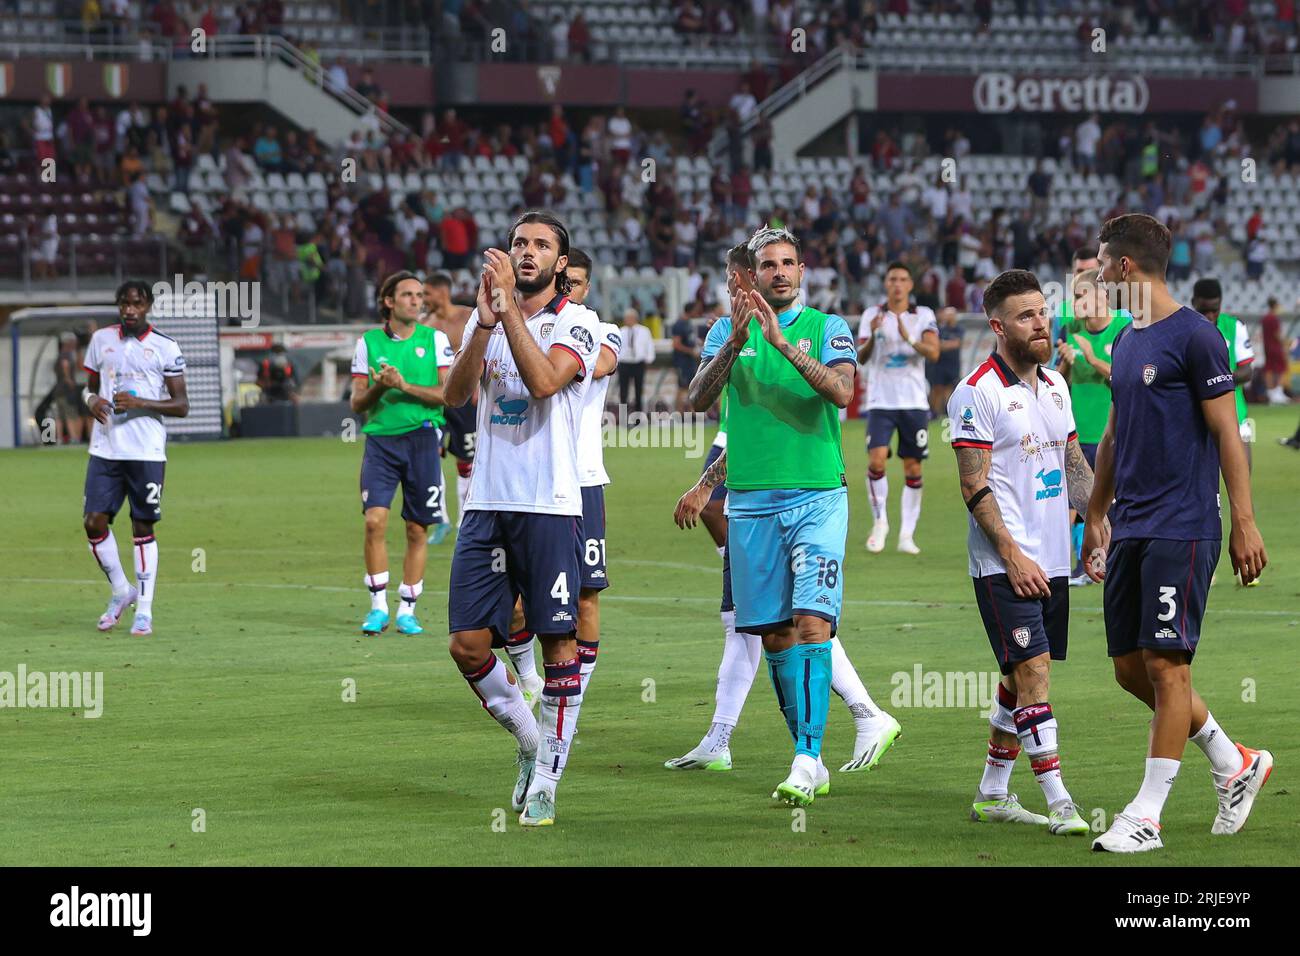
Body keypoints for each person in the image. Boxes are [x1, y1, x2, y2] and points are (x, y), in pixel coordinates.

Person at [676, 226, 899, 805]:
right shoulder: (725, 330)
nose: (778, 272)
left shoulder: (829, 328)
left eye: (788, 263)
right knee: (773, 634)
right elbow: (698, 398)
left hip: (817, 496)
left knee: (812, 624)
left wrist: (780, 344)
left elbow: (842, 392)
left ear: (801, 272)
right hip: (748, 502)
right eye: (766, 265)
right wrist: (738, 342)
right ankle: (813, 755)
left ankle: (804, 756)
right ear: (751, 275)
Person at [1084, 214, 1272, 853]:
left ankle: (1147, 815)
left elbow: (1228, 432)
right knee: (1129, 669)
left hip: (1184, 526)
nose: (1098, 274)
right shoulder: (1124, 340)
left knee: (1167, 666)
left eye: (1103, 263)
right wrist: (1095, 513)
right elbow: (1112, 435)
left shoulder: (1196, 337)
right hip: (1132, 523)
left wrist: (1242, 520)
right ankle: (1233, 760)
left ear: (1127, 268)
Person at [442, 211, 601, 828]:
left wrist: (506, 311)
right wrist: (482, 326)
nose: (526, 252)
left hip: (551, 504)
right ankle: (534, 742)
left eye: (540, 246)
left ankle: (549, 780)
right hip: (487, 502)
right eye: (518, 244)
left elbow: (542, 382)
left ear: (561, 263)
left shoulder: (577, 322)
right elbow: (456, 397)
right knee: (466, 643)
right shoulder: (485, 315)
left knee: (558, 640)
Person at [947, 269, 1093, 836]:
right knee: (1033, 674)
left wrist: (1100, 521)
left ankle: (992, 793)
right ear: (997, 325)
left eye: (1043, 311)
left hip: (1055, 559)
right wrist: (1010, 554)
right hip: (1005, 562)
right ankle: (1061, 804)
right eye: (1026, 315)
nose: (1041, 322)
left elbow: (1073, 462)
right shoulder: (977, 391)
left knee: (1016, 675)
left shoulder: (1056, 384)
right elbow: (971, 484)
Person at [83, 281, 190, 637]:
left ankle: (144, 610)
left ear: (148, 306)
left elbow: (181, 405)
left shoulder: (165, 347)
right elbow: (88, 386)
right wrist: (91, 401)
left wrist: (142, 402)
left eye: (138, 303)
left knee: (142, 527)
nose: (131, 309)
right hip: (105, 449)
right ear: (118, 306)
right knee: (93, 522)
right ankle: (121, 591)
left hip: (145, 451)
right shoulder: (101, 340)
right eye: (125, 303)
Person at [349, 271, 453, 636]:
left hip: (422, 440)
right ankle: (377, 607)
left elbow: (447, 394)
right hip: (381, 442)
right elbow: (357, 402)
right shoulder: (368, 342)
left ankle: (408, 608)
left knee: (416, 528)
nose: (416, 300)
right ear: (389, 302)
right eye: (407, 294)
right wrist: (380, 387)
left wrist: (402, 385)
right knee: (374, 521)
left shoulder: (436, 340)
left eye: (419, 294)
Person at [857, 262, 941, 554]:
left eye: (903, 279)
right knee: (876, 460)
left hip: (914, 402)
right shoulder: (872, 315)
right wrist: (872, 334)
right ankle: (880, 523)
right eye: (892, 279)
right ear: (885, 283)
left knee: (912, 467)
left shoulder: (923, 316)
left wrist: (909, 338)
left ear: (910, 285)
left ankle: (907, 534)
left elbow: (933, 353)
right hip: (881, 401)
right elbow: (861, 358)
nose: (897, 284)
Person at [1054, 269, 1130, 585]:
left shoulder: (1122, 328)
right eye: (1074, 297)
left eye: (1081, 295)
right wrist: (1065, 363)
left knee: (1110, 503)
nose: (1076, 302)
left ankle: (1112, 562)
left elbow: (1125, 377)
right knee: (1073, 505)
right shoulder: (1070, 330)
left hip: (1112, 432)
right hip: (1077, 431)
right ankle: (1081, 564)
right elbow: (1058, 383)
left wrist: (1090, 357)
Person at [420, 271, 473, 539]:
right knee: (430, 457)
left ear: (442, 291)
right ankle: (441, 518)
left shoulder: (467, 317)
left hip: (465, 400)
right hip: (437, 401)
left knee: (467, 460)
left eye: (426, 293)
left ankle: (465, 520)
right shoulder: (424, 325)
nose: (423, 299)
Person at [1190, 278, 1256, 471]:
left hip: (1235, 413)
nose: (1210, 316)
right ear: (1194, 302)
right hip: (1195, 416)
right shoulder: (1184, 328)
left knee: (1242, 474)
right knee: (1198, 482)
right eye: (1204, 310)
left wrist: (1217, 380)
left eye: (1215, 309)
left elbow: (1247, 371)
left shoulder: (1234, 327)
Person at [926, 306, 963, 421]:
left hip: (952, 364)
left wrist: (943, 345)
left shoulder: (959, 329)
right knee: (937, 388)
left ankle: (947, 413)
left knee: (949, 389)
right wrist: (946, 345)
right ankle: (934, 413)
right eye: (947, 315)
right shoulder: (940, 329)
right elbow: (937, 345)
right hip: (939, 364)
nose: (948, 317)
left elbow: (956, 344)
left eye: (951, 315)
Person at [618, 308, 654, 413]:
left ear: (635, 318)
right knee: (623, 392)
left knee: (639, 391)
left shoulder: (644, 331)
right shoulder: (621, 331)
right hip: (624, 363)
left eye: (629, 318)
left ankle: (638, 418)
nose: (627, 320)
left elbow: (649, 345)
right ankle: (623, 418)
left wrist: (649, 359)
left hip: (638, 363)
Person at [670, 308, 699, 413]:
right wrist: (691, 351)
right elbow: (676, 344)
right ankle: (679, 412)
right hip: (682, 361)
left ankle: (691, 412)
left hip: (689, 361)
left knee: (691, 386)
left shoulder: (689, 323)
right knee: (682, 387)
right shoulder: (679, 324)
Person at [1260, 297, 1289, 405]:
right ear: (1276, 305)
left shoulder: (1265, 318)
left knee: (1269, 369)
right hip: (1276, 347)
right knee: (1282, 368)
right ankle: (1278, 392)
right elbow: (1277, 335)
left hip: (1267, 347)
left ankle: (1271, 393)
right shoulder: (1274, 318)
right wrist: (1286, 343)